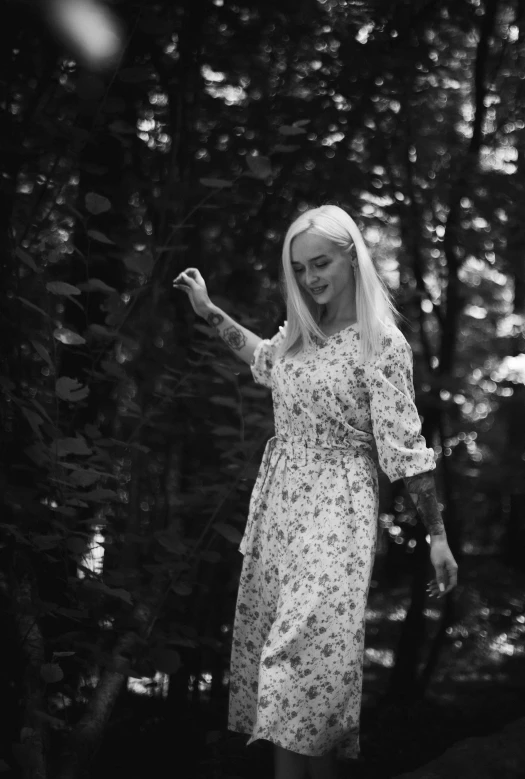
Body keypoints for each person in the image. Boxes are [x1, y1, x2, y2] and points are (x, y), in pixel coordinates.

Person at [173, 205, 458, 779]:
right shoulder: (302, 336)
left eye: (321, 263)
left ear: (352, 254)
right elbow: (261, 359)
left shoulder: (382, 345)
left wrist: (438, 537)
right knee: (303, 683)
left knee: (297, 660)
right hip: (281, 507)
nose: (310, 278)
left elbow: (404, 449)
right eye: (300, 268)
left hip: (339, 508)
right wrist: (207, 312)